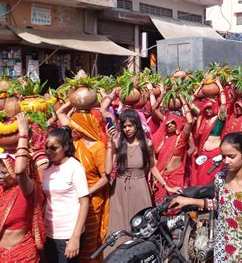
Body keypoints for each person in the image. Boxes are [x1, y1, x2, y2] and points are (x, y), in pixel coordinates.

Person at [170, 132, 242, 262]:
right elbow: (219, 205)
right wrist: (188, 201)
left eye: (231, 156)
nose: (226, 161)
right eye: (223, 156)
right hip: (222, 252)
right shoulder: (220, 179)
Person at [104, 109, 178, 254]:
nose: (127, 129)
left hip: (140, 188)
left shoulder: (147, 144)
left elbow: (152, 167)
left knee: (142, 227)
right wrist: (109, 144)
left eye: (130, 126)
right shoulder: (118, 143)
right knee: (119, 226)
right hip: (119, 190)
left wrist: (166, 186)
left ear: (137, 125)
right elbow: (107, 170)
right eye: (124, 126)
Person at [0, 112, 45, 262]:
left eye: (3, 173)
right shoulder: (3, 185)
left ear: (12, 169)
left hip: (21, 253)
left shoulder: (27, 188)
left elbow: (20, 171)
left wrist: (23, 135)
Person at [56, 104, 110, 263]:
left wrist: (86, 193)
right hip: (73, 200)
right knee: (74, 237)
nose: (71, 129)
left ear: (83, 127)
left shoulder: (98, 147)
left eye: (75, 126)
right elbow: (59, 113)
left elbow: (106, 177)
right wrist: (74, 100)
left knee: (89, 242)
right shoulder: (74, 144)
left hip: (92, 199)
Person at [43, 127, 90, 262]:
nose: (49, 152)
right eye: (47, 147)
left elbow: (84, 202)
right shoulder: (47, 168)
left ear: (65, 147)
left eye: (54, 148)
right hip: (49, 233)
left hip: (68, 233)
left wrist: (75, 238)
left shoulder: (75, 168)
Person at [151, 94, 194, 202]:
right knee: (160, 205)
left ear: (177, 123)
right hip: (161, 177)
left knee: (175, 206)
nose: (169, 125)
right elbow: (154, 109)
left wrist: (183, 100)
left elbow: (189, 121)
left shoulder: (181, 137)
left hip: (176, 176)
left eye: (172, 123)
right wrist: (163, 93)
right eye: (167, 124)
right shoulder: (163, 140)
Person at [192, 79, 227, 186]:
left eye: (210, 108)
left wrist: (220, 87)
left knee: (214, 181)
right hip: (203, 154)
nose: (207, 111)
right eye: (206, 109)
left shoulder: (219, 118)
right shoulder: (201, 119)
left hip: (215, 154)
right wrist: (200, 85)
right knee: (201, 180)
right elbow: (190, 103)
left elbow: (224, 104)